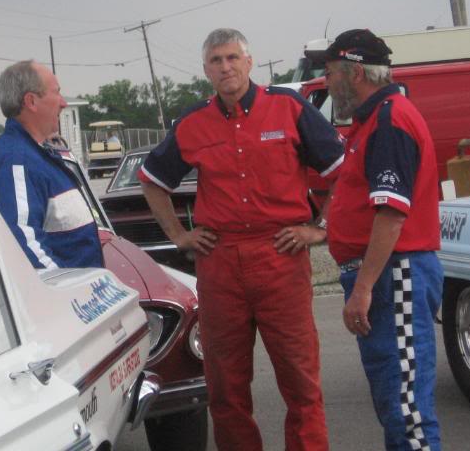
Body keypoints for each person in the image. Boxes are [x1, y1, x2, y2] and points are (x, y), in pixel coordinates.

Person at [139, 28, 344, 451]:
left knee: (300, 382)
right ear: (206, 71)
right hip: (221, 262)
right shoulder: (193, 122)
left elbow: (343, 170)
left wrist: (319, 229)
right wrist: (179, 235)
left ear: (249, 62)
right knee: (226, 389)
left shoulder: (288, 108)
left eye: (233, 57)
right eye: (217, 60)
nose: (226, 66)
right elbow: (152, 180)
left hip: (280, 257)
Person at [319, 29, 443, 450]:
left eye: (330, 71)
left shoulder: (390, 120)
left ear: (354, 72)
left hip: (398, 274)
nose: (326, 82)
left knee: (407, 408)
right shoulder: (375, 119)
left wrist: (365, 287)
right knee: (394, 401)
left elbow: (391, 213)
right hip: (388, 275)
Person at [0, 60, 103, 269]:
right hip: (67, 299)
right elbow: (22, 246)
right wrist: (69, 296)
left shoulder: (35, 155)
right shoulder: (17, 161)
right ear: (31, 101)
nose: (63, 103)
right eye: (56, 93)